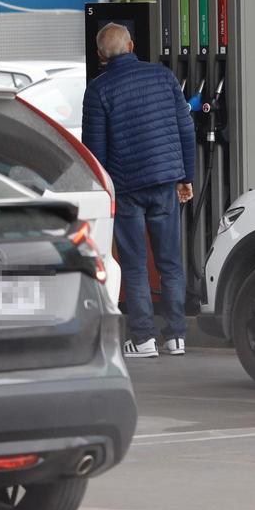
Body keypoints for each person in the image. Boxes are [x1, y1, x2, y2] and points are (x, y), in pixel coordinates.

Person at [82, 23, 196, 359]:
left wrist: (103, 192)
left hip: (126, 187)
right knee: (170, 262)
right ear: (132, 45)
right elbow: (185, 129)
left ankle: (144, 338)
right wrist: (184, 177)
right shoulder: (163, 77)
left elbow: (95, 151)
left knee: (133, 263)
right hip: (163, 182)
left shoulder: (98, 90)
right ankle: (176, 337)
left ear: (101, 54)